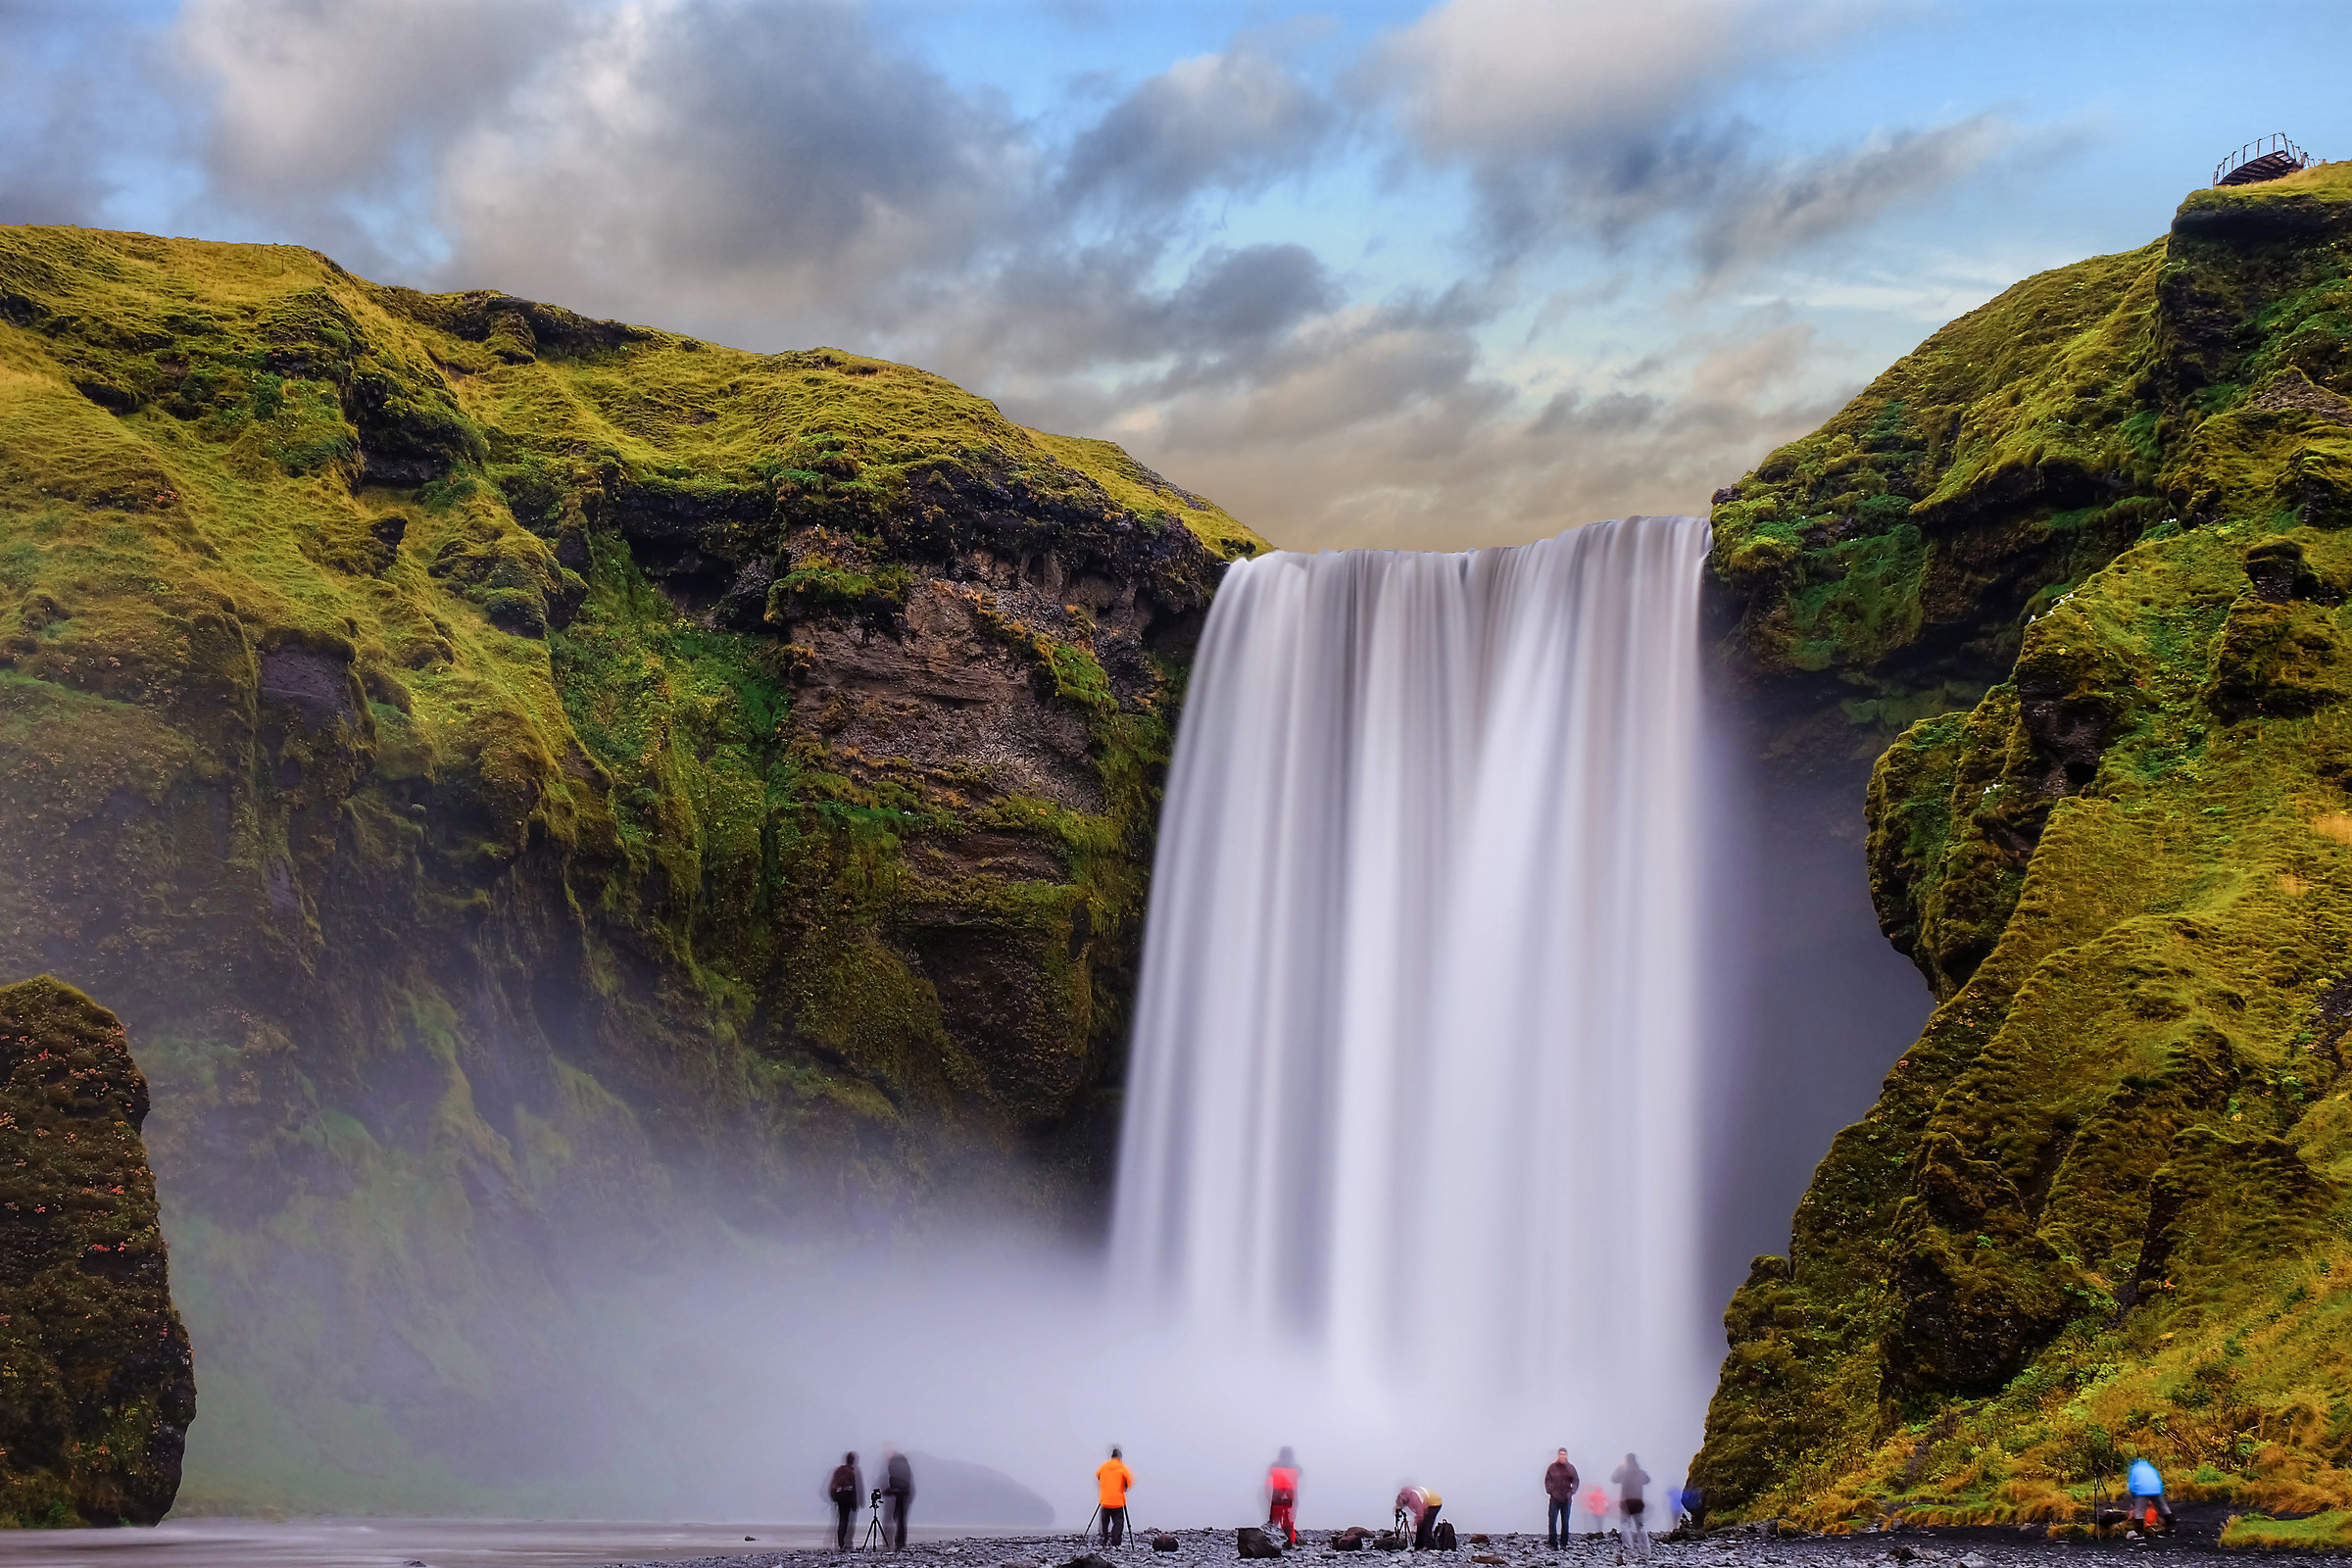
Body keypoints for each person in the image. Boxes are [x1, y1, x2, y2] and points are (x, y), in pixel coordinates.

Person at [1610, 1455, 1650, 1564]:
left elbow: (1614, 1479)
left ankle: (1629, 1547)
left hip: (1626, 1502)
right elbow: (1647, 1480)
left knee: (1625, 1525)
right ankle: (1645, 1549)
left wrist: (1620, 1468)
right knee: (1641, 1526)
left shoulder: (1624, 1473)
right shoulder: (1641, 1473)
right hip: (1638, 1502)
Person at [1098, 1446, 1135, 1547]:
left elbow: (1098, 1476)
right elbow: (1129, 1482)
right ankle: (1115, 1541)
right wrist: (1124, 1488)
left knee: (1104, 1520)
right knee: (1118, 1521)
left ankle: (1104, 1538)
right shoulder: (1123, 1468)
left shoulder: (1104, 1466)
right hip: (1118, 1500)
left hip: (1105, 1499)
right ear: (1120, 1457)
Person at [827, 1451, 863, 1551]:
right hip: (847, 1499)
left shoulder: (839, 1470)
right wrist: (855, 1503)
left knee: (841, 1521)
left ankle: (840, 1543)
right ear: (853, 1461)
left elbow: (833, 1484)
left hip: (839, 1498)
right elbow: (854, 1488)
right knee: (846, 1521)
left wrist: (834, 1497)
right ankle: (845, 1543)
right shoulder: (851, 1472)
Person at [2128, 1457, 2174, 1535]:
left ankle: (2139, 1532)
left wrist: (2133, 1497)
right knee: (2163, 1507)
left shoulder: (2134, 1469)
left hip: (2141, 1490)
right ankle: (2172, 1526)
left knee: (2139, 1511)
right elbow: (2158, 1479)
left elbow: (2131, 1484)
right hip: (2156, 1489)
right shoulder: (2150, 1468)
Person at [1266, 1446, 1301, 1547]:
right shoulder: (1296, 1467)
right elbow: (1300, 1474)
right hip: (1291, 1497)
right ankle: (1289, 1541)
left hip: (1277, 1497)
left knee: (1274, 1521)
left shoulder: (1274, 1466)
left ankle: (1272, 1541)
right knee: (1288, 1521)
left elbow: (1270, 1474)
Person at [1545, 1449, 1580, 1548]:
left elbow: (1576, 1480)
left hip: (1566, 1499)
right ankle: (1553, 1543)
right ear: (1558, 1455)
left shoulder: (1570, 1468)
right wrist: (1550, 1490)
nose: (1562, 1456)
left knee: (1565, 1522)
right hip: (1554, 1498)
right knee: (1552, 1521)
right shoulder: (1552, 1467)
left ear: (1566, 1455)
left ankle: (1564, 1543)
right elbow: (1548, 1479)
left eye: (1564, 1454)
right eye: (1561, 1454)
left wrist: (1571, 1492)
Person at [883, 1448, 914, 1550]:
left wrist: (889, 1491)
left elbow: (893, 1479)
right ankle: (901, 1541)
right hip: (906, 1493)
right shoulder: (906, 1465)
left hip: (898, 1493)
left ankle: (896, 1541)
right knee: (902, 1518)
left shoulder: (893, 1464)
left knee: (897, 1517)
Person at [1396, 1485, 1443, 1550]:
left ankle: (1429, 1545)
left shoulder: (1414, 1499)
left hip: (1435, 1503)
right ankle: (1419, 1545)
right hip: (1426, 1503)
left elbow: (1420, 1515)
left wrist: (1414, 1522)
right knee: (1420, 1525)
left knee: (1426, 1524)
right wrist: (1397, 1510)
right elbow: (1398, 1505)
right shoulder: (1403, 1496)